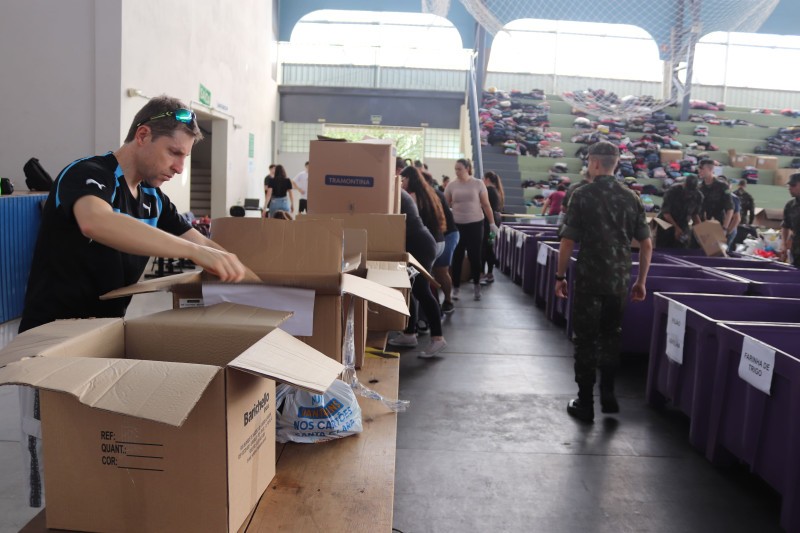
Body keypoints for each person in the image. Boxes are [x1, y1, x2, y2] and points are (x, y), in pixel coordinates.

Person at [18, 94, 248, 506]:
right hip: (50, 347)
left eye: (184, 156)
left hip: (104, 341)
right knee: (55, 470)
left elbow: (210, 249)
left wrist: (257, 278)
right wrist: (194, 252)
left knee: (94, 460)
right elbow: (96, 221)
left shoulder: (153, 199)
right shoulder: (88, 174)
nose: (179, 167)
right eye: (174, 153)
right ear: (142, 135)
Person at [555, 141, 652, 423]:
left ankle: (585, 403)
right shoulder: (631, 197)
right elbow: (646, 244)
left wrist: (560, 276)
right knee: (611, 335)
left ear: (595, 163)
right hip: (619, 279)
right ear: (616, 163)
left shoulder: (582, 194)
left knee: (585, 340)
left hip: (589, 278)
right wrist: (641, 281)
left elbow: (567, 241)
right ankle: (608, 392)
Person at [388, 188, 448, 357]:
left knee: (421, 290)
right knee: (409, 288)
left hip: (420, 245)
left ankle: (438, 338)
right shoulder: (393, 190)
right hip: (415, 244)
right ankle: (409, 334)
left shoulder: (391, 191)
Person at [445, 159, 497, 301]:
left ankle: (476, 285)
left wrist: (492, 223)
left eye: (459, 169)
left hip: (475, 224)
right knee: (457, 256)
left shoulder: (478, 184)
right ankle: (455, 287)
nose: (457, 171)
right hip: (457, 225)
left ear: (467, 168)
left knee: (475, 256)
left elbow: (486, 205)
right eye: (455, 169)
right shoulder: (451, 185)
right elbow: (444, 205)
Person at [422, 171, 459, 314]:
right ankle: (436, 302)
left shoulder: (434, 195)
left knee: (441, 271)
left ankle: (448, 301)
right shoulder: (424, 195)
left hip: (448, 235)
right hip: (438, 235)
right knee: (433, 271)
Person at [655, 175, 703, 248]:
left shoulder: (698, 196)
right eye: (687, 191)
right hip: (667, 224)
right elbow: (666, 213)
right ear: (684, 184)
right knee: (664, 249)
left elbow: (695, 215)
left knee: (682, 248)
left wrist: (702, 231)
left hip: (683, 225)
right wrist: (676, 228)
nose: (688, 195)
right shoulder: (673, 191)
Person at [482, 171, 505, 284]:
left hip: (489, 222)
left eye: (483, 178)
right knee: (489, 245)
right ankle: (489, 273)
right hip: (495, 222)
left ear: (487, 179)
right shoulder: (497, 191)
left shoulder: (488, 191)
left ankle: (483, 273)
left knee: (485, 247)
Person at [698, 159, 733, 230]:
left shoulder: (724, 186)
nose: (699, 171)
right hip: (701, 225)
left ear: (711, 169)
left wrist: (724, 228)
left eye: (702, 168)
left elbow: (730, 209)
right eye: (699, 168)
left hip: (718, 225)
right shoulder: (699, 187)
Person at [779, 173, 800, 267]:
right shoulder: (790, 205)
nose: (790, 188)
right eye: (789, 185)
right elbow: (785, 226)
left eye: (793, 185)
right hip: (795, 252)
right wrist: (784, 244)